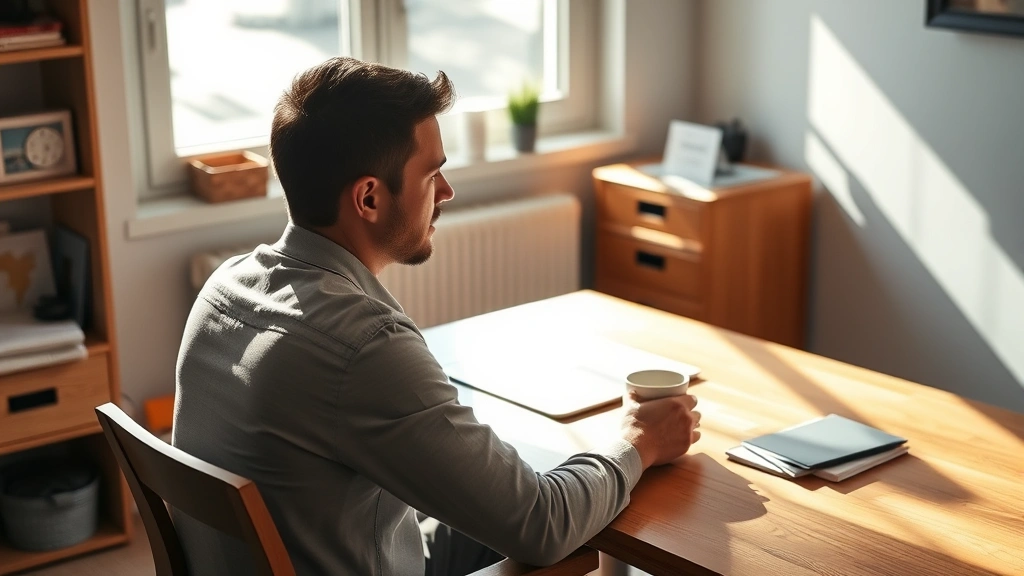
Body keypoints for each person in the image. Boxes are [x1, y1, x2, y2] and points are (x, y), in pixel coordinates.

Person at [172, 57, 701, 576]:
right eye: (432, 174)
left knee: (522, 486)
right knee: (572, 528)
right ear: (369, 197)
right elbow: (543, 528)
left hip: (337, 548)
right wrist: (639, 439)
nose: (447, 192)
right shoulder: (363, 345)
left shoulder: (227, 285)